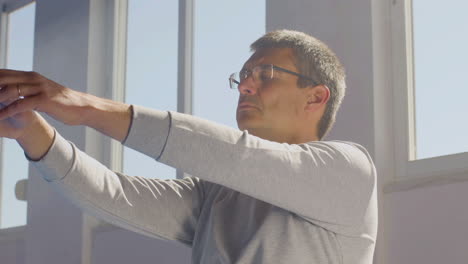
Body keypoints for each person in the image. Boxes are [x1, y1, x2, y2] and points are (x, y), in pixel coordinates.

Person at [0, 30, 377, 263]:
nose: (245, 85)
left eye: (265, 75)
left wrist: (83, 106)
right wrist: (31, 130)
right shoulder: (218, 196)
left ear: (315, 97)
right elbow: (113, 195)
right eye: (244, 76)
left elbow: (234, 156)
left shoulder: (348, 170)